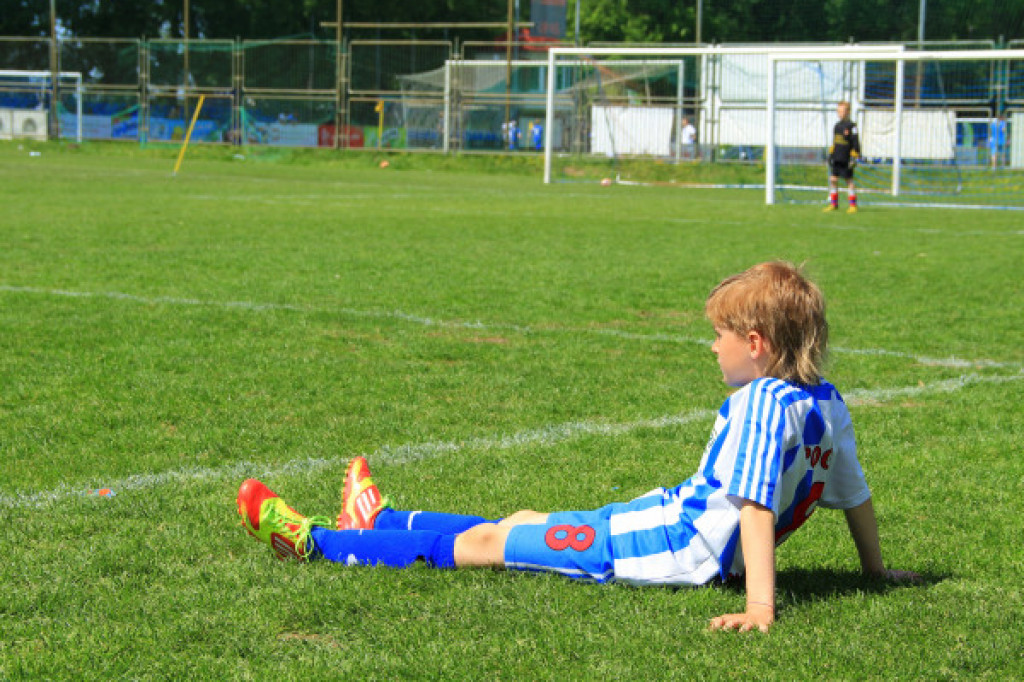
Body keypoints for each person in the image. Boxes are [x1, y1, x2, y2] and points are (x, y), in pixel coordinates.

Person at [237, 261, 918, 632]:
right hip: (667, 517)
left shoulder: (761, 404)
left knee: (490, 547)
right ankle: (383, 521)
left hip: (671, 547)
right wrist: (874, 574)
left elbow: (756, 510)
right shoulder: (825, 402)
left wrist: (761, 608)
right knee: (526, 521)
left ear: (757, 345)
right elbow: (853, 498)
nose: (711, 345)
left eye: (719, 334)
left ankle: (316, 543)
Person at [825, 101, 861, 213]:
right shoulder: (837, 126)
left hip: (846, 158)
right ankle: (834, 204)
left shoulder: (852, 126)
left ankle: (853, 205)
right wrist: (831, 153)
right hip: (837, 157)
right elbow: (835, 141)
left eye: (843, 111)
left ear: (848, 112)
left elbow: (856, 141)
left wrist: (855, 154)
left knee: (848, 180)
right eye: (838, 111)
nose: (840, 113)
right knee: (833, 179)